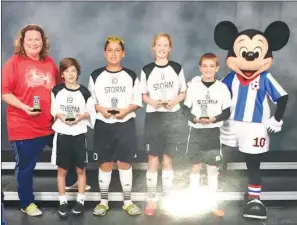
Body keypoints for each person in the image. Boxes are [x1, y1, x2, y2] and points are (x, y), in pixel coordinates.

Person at [214, 21, 290, 220]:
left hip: (256, 127)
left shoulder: (265, 77)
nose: (249, 58)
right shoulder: (230, 78)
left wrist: (276, 119)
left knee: (253, 163)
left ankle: (254, 198)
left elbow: (282, 97)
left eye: (256, 52)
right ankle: (214, 186)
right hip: (230, 123)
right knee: (218, 155)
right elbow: (215, 93)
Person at [1, 24, 61, 216]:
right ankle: (27, 203)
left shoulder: (49, 63)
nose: (34, 43)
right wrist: (24, 107)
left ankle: (69, 184)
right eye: (30, 39)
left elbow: (59, 90)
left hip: (50, 125)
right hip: (24, 126)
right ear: (22, 42)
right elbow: (5, 93)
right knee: (26, 168)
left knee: (66, 155)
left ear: (43, 42)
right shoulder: (14, 63)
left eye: (38, 39)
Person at [89, 36, 142, 216]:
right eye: (110, 50)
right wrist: (101, 109)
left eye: (117, 50)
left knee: (124, 163)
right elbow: (92, 101)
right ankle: (103, 201)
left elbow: (137, 101)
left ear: (123, 53)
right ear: (105, 53)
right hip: (103, 124)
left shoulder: (131, 75)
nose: (113, 54)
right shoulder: (96, 75)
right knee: (105, 163)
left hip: (125, 124)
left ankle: (127, 201)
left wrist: (126, 111)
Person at [140, 33, 187, 216]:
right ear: (153, 48)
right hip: (154, 117)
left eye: (165, 45)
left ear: (170, 48)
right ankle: (151, 198)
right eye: (158, 45)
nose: (161, 48)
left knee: (168, 158)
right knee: (153, 158)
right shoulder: (147, 69)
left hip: (172, 117)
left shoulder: (176, 68)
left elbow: (183, 91)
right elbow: (143, 94)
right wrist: (152, 102)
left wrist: (174, 101)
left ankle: (167, 198)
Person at [182, 53, 232, 217]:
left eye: (212, 66)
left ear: (217, 68)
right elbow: (185, 110)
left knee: (212, 168)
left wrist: (214, 119)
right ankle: (194, 203)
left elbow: (226, 112)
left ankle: (212, 203)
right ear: (200, 68)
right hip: (196, 132)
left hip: (213, 132)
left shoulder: (222, 88)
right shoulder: (194, 87)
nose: (208, 69)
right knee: (195, 167)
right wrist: (195, 119)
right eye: (205, 66)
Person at [50, 57, 96, 217]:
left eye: (73, 70)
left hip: (78, 135)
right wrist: (61, 116)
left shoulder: (84, 92)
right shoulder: (56, 90)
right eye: (67, 70)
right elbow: (53, 109)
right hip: (63, 135)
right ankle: (62, 202)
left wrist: (80, 117)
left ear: (78, 73)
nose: (70, 74)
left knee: (80, 170)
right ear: (62, 73)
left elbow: (90, 112)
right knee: (62, 170)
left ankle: (80, 201)